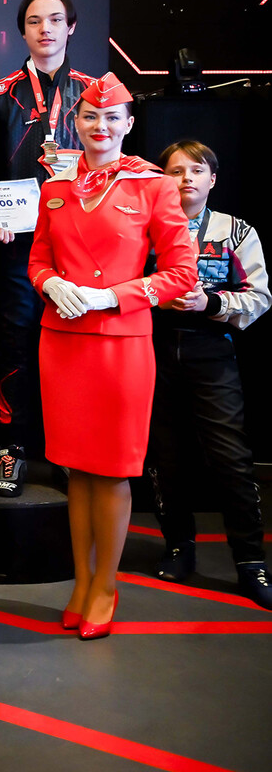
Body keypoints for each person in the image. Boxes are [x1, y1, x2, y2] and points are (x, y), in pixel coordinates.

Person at [28, 73, 196, 638]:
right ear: (75, 123)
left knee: (114, 470)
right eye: (90, 117)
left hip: (121, 344)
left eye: (111, 118)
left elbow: (181, 274)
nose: (100, 126)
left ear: (128, 124)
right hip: (62, 340)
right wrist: (51, 283)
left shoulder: (154, 186)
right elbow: (37, 261)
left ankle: (105, 585)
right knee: (76, 471)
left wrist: (112, 296)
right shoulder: (55, 188)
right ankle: (81, 582)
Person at [0, 0, 96, 497]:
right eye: (35, 21)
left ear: (71, 27)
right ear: (22, 31)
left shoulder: (96, 93)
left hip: (82, 243)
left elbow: (114, 166)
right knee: (14, 345)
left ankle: (70, 452)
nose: (45, 29)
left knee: (75, 348)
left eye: (55, 19)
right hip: (17, 245)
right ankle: (10, 448)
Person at [147, 140, 271, 608]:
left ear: (212, 179)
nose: (186, 179)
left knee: (231, 458)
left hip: (211, 349)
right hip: (155, 350)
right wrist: (154, 299)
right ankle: (179, 547)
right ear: (162, 179)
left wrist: (210, 302)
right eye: (176, 171)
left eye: (196, 170)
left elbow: (259, 297)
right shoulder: (144, 228)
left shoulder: (235, 231)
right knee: (166, 456)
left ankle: (251, 562)